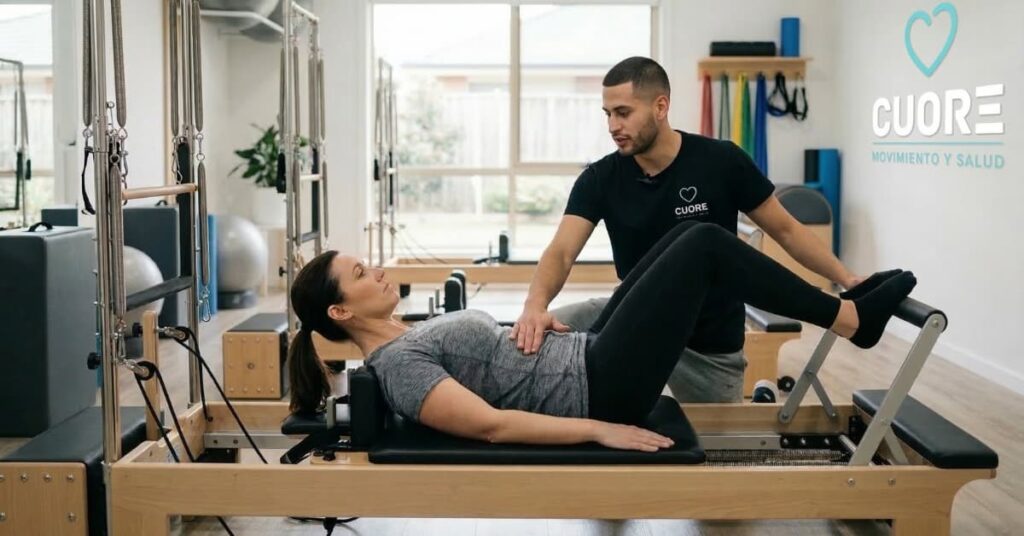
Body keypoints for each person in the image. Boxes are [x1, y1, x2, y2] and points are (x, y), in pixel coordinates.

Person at [287, 221, 915, 452]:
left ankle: (846, 306)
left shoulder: (405, 332)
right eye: (362, 273)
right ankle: (851, 320)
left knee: (684, 234)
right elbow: (489, 425)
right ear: (341, 312)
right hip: (598, 389)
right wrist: (599, 429)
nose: (379, 270)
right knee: (703, 247)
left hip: (585, 355)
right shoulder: (399, 367)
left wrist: (534, 325)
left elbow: (492, 367)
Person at [512, 56, 865, 403]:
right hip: (636, 325)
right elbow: (562, 251)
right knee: (526, 340)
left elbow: (787, 229)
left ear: (660, 106)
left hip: (708, 348)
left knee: (714, 452)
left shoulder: (721, 161)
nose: (612, 126)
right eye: (608, 114)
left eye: (623, 113)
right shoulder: (599, 178)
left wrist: (848, 280)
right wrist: (534, 305)